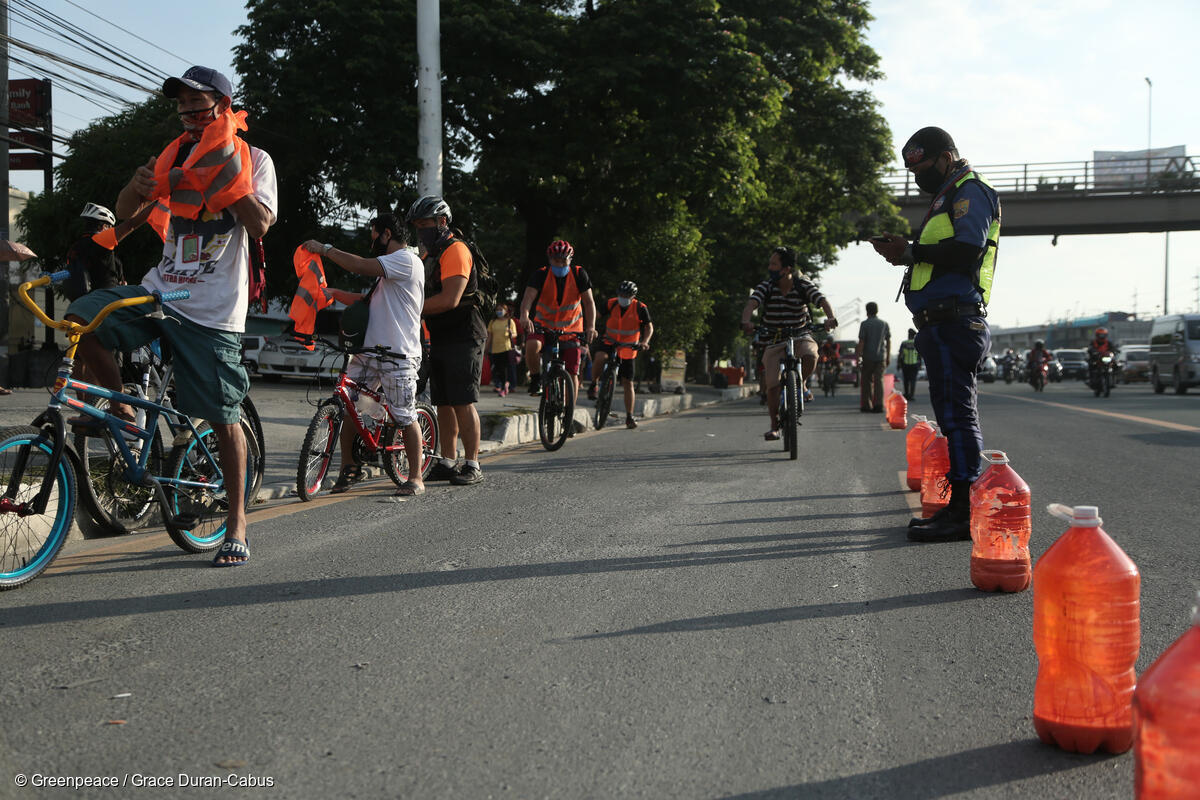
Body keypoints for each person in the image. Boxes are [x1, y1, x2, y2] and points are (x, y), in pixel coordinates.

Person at [66, 65, 276, 567]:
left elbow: (262, 224)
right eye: (181, 104)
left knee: (224, 417)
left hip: (212, 312)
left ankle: (237, 523)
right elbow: (126, 220)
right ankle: (123, 409)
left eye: (197, 103)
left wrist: (228, 182)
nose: (188, 112)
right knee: (81, 318)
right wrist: (135, 188)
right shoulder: (173, 155)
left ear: (223, 106)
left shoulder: (255, 158)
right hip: (162, 292)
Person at [871, 126, 999, 543]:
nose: (917, 176)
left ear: (946, 157)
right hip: (939, 324)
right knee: (950, 416)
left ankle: (963, 512)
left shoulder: (969, 191)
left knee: (958, 417)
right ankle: (957, 507)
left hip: (954, 321)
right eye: (911, 170)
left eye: (922, 166)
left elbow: (967, 250)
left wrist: (913, 250)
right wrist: (907, 253)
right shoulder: (946, 196)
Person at [302, 213, 426, 496]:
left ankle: (416, 477)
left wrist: (325, 249)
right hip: (368, 353)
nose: (372, 243)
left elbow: (360, 265)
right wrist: (331, 292)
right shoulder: (388, 275)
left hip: (398, 355)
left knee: (404, 417)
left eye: (374, 236)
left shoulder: (406, 261)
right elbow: (364, 302)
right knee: (348, 407)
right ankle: (350, 467)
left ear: (386, 235)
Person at [409, 195, 486, 486]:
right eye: (417, 225)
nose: (420, 230)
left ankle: (472, 464)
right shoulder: (430, 255)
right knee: (443, 401)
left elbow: (449, 298)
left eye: (425, 224)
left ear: (442, 222)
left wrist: (411, 310)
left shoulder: (455, 250)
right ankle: (448, 461)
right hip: (440, 335)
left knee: (463, 400)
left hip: (465, 334)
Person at [740, 246, 838, 440]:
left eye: (774, 264)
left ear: (786, 269)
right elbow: (751, 304)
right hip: (774, 339)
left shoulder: (803, 285)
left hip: (801, 335)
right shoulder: (766, 286)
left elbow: (822, 301)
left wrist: (830, 318)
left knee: (811, 354)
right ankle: (774, 426)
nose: (770, 267)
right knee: (773, 385)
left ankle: (801, 383)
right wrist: (746, 322)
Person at [518, 239, 597, 401]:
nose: (560, 264)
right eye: (556, 260)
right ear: (549, 259)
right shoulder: (541, 274)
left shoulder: (579, 274)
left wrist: (591, 327)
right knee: (532, 346)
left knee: (572, 372)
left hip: (572, 330)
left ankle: (569, 412)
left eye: (563, 260)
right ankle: (535, 379)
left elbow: (589, 303)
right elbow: (528, 298)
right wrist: (524, 316)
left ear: (570, 260)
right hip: (543, 326)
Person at [588, 280, 654, 429]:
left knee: (627, 382)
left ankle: (629, 416)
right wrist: (589, 327)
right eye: (621, 294)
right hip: (609, 341)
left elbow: (648, 327)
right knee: (600, 357)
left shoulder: (640, 308)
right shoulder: (612, 303)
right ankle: (594, 384)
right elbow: (596, 315)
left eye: (626, 295)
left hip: (629, 347)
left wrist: (644, 341)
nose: (623, 297)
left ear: (633, 296)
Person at [63, 203, 152, 302]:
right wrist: (157, 204)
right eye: (109, 227)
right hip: (105, 302)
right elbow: (130, 225)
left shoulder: (74, 248)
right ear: (103, 226)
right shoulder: (100, 241)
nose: (111, 230)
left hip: (80, 303)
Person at [857, 301, 891, 412]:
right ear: (877, 310)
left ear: (867, 311)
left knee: (866, 381)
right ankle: (878, 405)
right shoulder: (884, 324)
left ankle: (866, 405)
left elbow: (862, 341)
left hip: (867, 357)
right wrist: (888, 357)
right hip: (881, 357)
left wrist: (858, 356)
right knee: (879, 381)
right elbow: (888, 340)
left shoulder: (864, 324)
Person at [484, 303, 518, 397]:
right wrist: (486, 349)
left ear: (506, 311)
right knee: (498, 369)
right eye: (497, 309)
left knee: (505, 369)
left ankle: (504, 387)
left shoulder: (510, 321)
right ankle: (504, 385)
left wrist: (511, 334)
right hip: (495, 350)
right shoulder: (493, 322)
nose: (499, 311)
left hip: (506, 348)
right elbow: (489, 337)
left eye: (501, 309)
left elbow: (515, 334)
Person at [897, 328, 922, 400]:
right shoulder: (916, 342)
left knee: (906, 380)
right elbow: (919, 354)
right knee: (913, 380)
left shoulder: (904, 343)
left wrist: (898, 364)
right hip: (914, 364)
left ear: (908, 335)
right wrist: (920, 364)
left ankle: (907, 394)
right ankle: (912, 395)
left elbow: (900, 354)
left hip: (905, 364)